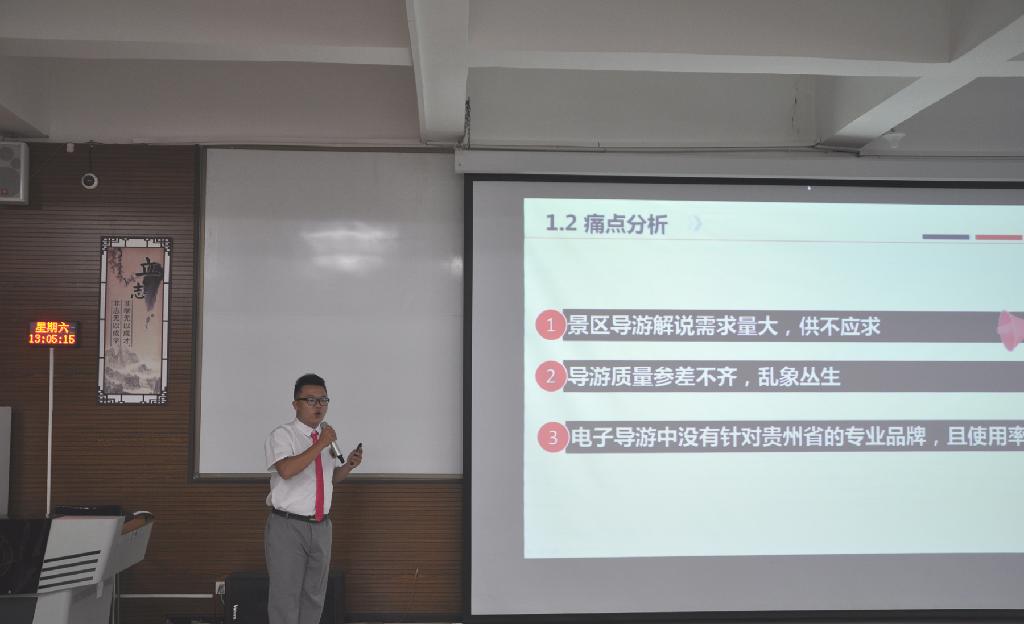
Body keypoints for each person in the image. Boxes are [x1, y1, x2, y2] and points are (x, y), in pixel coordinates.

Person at [264, 373, 363, 624]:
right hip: (288, 526)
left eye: (323, 400)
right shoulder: (283, 435)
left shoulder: (325, 437)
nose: (318, 405)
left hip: (321, 526)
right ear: (295, 404)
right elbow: (286, 471)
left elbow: (329, 479)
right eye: (311, 400)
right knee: (285, 596)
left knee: (314, 595)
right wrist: (320, 445)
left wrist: (348, 466)